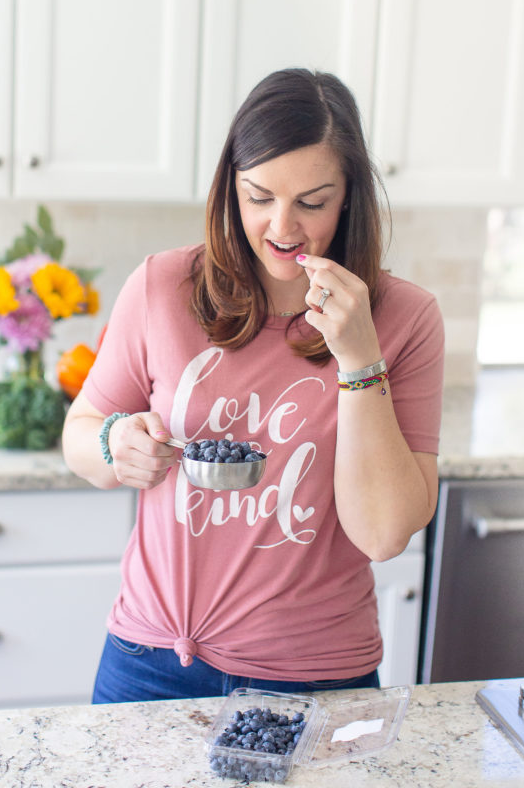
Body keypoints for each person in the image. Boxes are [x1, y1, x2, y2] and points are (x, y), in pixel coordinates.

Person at [62, 67, 444, 704]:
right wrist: (112, 443)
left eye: (311, 202)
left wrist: (359, 360)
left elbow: (382, 535)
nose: (281, 227)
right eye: (258, 196)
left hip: (317, 676)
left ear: (348, 194)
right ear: (228, 189)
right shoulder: (162, 287)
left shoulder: (404, 319)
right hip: (149, 662)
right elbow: (81, 437)